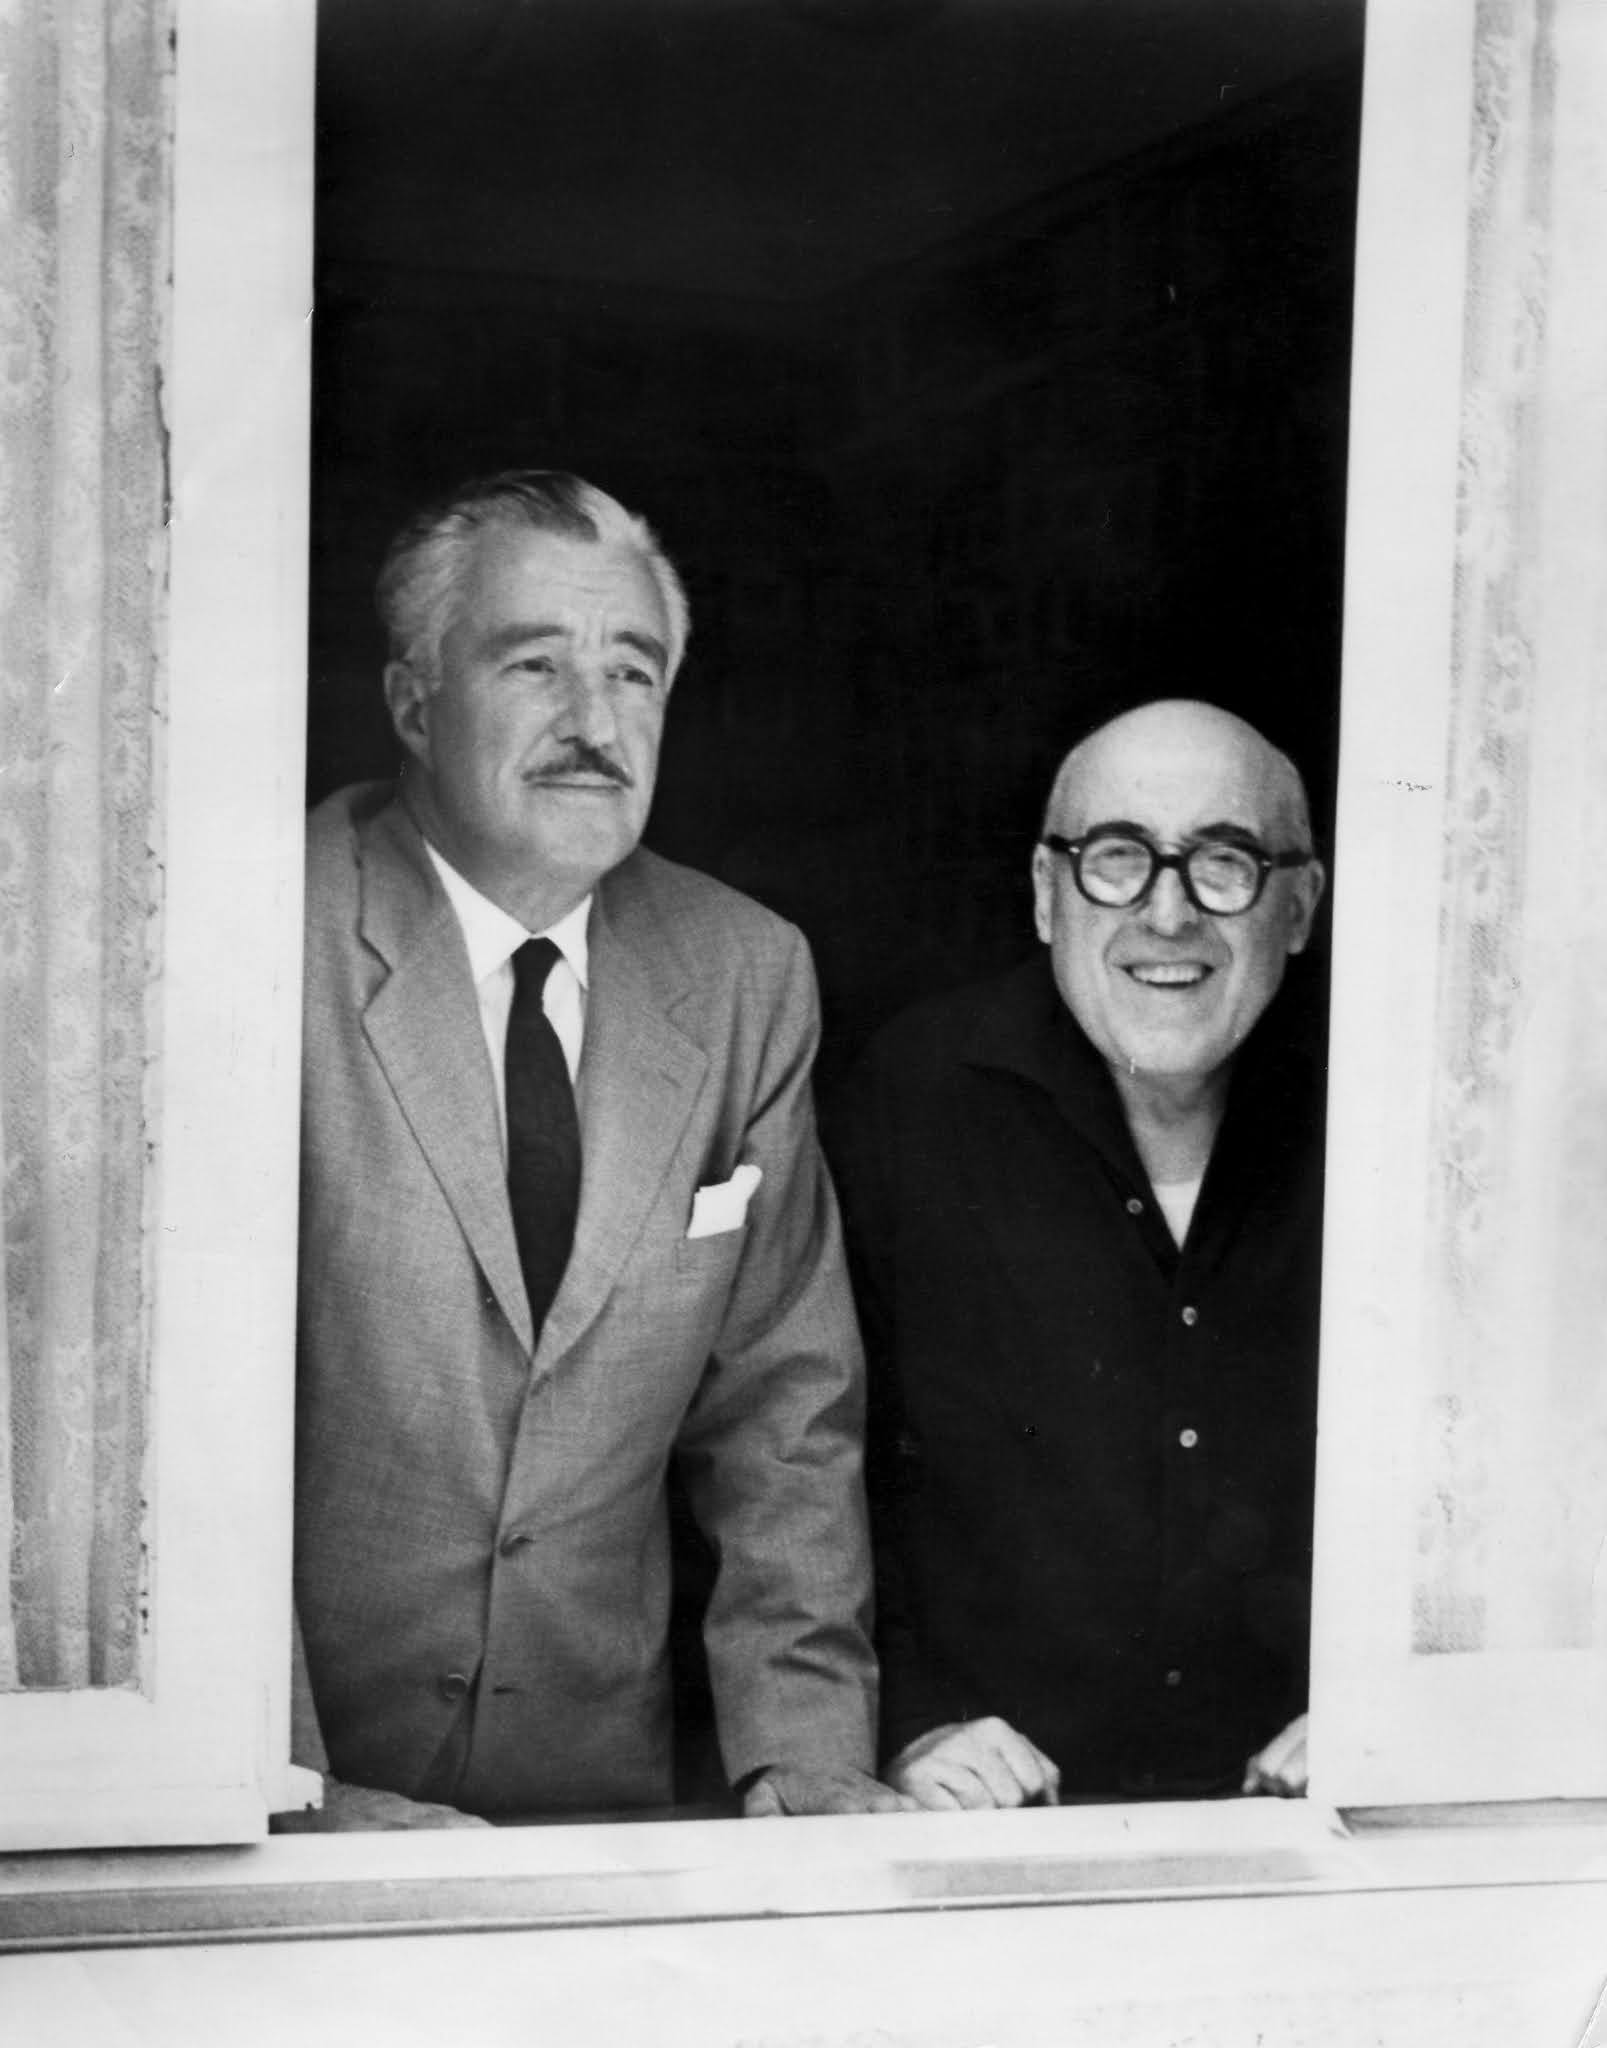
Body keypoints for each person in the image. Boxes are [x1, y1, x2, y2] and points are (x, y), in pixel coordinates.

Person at [294, 469, 903, 1823]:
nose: (593, 722)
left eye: (632, 672)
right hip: (306, 1796)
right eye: (533, 665)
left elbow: (786, 1413)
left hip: (588, 1797)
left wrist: (802, 1757)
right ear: (412, 702)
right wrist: (277, 1789)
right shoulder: (264, 929)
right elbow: (167, 1426)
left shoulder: (741, 971)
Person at [833, 699, 1327, 1809]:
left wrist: (1386, 1713)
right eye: (1116, 858)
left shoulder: (1390, 1107)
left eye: (1224, 862)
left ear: (1297, 906)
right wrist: (906, 1726)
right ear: (1044, 892)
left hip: (1310, 1823)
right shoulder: (912, 1101)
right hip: (977, 1821)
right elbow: (798, 1457)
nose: (1167, 913)